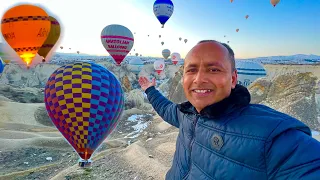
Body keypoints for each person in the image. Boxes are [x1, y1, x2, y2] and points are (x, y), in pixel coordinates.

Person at [138, 40, 320, 180]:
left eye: (214, 69)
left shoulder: (270, 135)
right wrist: (150, 90)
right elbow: (166, 108)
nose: (199, 79)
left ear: (233, 79)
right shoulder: (186, 114)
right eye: (191, 70)